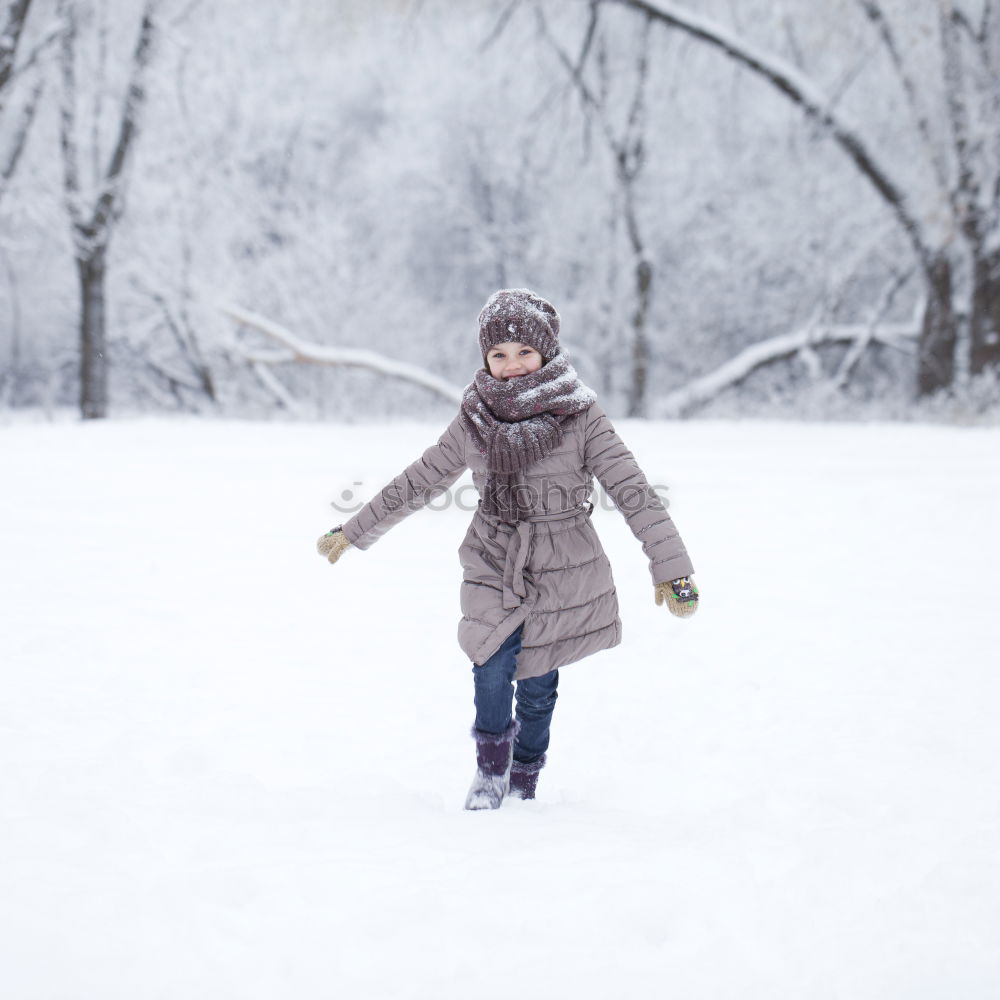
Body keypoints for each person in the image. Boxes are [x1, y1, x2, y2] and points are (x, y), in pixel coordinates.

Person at [317, 288, 698, 810]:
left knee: (538, 684)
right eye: (499, 355)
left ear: (545, 353)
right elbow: (420, 478)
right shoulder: (474, 418)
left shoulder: (581, 417)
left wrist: (671, 569)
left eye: (524, 352)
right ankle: (491, 771)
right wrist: (354, 530)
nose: (512, 365)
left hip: (563, 560)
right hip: (493, 552)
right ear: (485, 360)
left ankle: (525, 774)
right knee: (489, 660)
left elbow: (634, 492)